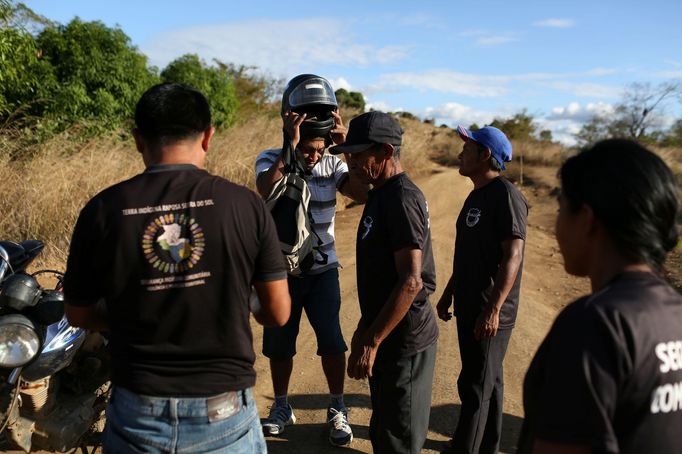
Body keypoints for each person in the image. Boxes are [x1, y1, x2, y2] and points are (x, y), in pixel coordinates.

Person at [63, 82, 291, 453]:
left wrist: (126, 312)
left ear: (138, 139)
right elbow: (278, 312)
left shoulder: (102, 211)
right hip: (225, 417)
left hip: (136, 417)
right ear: (208, 137)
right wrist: (235, 301)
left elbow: (77, 312)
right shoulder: (245, 205)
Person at [517, 139, 682, 454]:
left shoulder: (594, 324)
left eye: (563, 206)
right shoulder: (675, 311)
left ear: (588, 219)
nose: (557, 223)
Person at [255, 74, 367, 447]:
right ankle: (282, 406)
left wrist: (346, 147)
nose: (315, 156)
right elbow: (267, 187)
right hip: (282, 272)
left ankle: (338, 407)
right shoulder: (273, 158)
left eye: (320, 150)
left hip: (323, 270)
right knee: (280, 344)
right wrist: (291, 147)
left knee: (332, 341)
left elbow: (362, 192)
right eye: (309, 149)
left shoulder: (332, 164)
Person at [331, 111, 439, 454]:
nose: (352, 163)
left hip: (403, 340)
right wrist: (365, 329)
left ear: (386, 152)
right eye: (349, 155)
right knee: (384, 428)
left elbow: (411, 281)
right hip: (387, 333)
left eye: (359, 155)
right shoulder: (380, 190)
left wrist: (372, 341)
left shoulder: (402, 198)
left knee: (399, 439)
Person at [437, 125, 528, 454]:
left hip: (490, 310)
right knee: (488, 381)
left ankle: (466, 448)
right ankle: (485, 445)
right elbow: (470, 254)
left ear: (485, 155)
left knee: (476, 385)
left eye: (468, 148)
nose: (461, 153)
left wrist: (492, 309)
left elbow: (512, 256)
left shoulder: (506, 195)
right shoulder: (477, 194)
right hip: (469, 304)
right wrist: (449, 292)